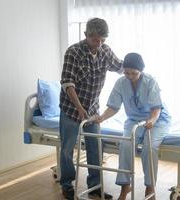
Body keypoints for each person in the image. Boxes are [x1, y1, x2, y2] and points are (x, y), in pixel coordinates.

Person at [59, 17, 123, 200]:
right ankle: (67, 185)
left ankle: (95, 186)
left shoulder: (105, 51)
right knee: (67, 149)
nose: (99, 43)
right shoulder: (73, 52)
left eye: (103, 40)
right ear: (86, 35)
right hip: (71, 109)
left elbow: (119, 66)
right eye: (96, 39)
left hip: (93, 110)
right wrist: (79, 108)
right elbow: (68, 84)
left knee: (96, 147)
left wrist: (135, 67)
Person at [97, 53, 171, 200]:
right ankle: (125, 187)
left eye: (134, 73)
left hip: (156, 120)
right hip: (134, 120)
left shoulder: (150, 82)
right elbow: (113, 107)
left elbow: (156, 109)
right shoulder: (121, 83)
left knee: (149, 147)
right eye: (126, 73)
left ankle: (150, 187)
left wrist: (152, 120)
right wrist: (101, 118)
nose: (130, 76)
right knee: (125, 144)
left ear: (141, 71)